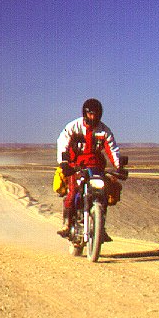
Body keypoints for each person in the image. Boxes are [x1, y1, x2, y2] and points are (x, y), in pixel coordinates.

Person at [56, 98, 121, 238]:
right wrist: (64, 163)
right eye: (91, 114)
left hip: (96, 167)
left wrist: (119, 166)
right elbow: (62, 143)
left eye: (97, 114)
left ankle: (100, 227)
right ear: (85, 114)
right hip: (76, 166)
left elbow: (112, 148)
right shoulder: (74, 127)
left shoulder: (104, 131)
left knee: (103, 194)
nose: (94, 117)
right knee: (73, 191)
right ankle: (66, 224)